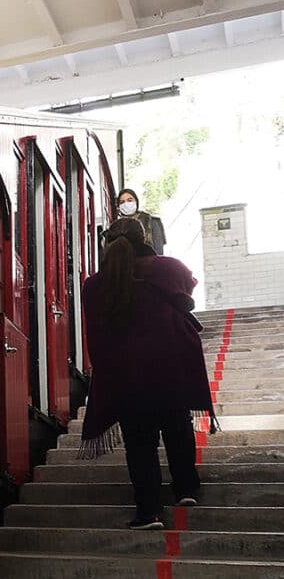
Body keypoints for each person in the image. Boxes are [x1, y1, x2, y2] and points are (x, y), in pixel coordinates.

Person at [80, 218, 216, 529]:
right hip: (171, 368)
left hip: (127, 377)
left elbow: (98, 334)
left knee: (140, 443)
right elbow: (188, 287)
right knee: (177, 426)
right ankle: (186, 489)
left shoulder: (95, 284)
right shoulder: (169, 268)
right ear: (145, 238)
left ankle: (149, 512)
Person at [116, 187, 166, 256]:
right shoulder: (116, 227)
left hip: (149, 263)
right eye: (122, 202)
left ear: (136, 202)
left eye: (130, 200)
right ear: (118, 206)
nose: (126, 204)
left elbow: (159, 252)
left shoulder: (151, 222)